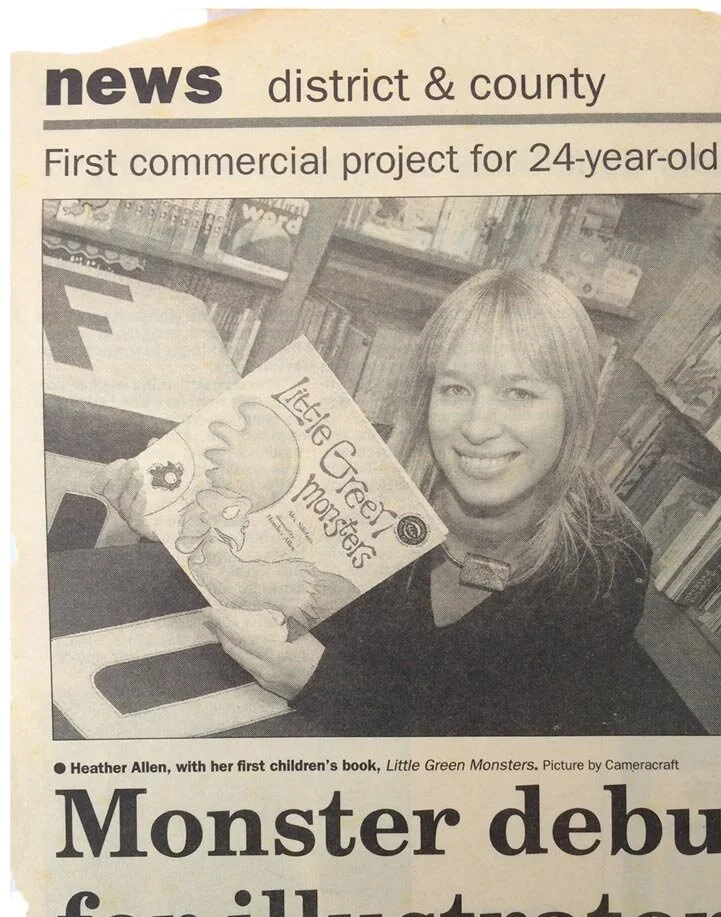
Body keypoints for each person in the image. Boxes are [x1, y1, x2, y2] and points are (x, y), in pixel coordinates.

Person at [101, 268, 651, 736]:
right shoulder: (369, 472)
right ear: (426, 395)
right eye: (456, 389)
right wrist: (176, 524)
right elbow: (278, 598)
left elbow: (515, 760)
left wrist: (323, 683)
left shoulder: (606, 562)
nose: (478, 428)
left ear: (574, 409)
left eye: (521, 393)